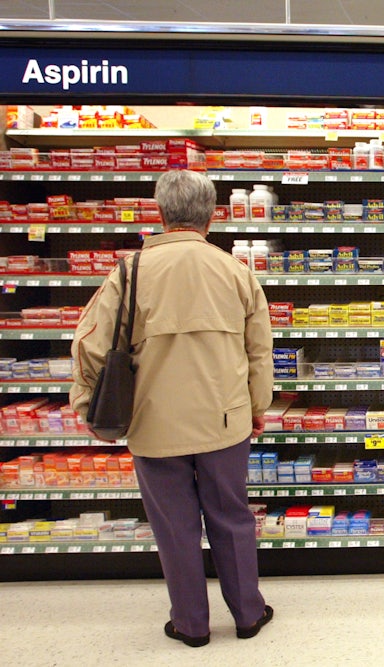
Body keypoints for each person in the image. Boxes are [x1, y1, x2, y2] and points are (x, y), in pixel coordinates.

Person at [70, 169, 275, 647]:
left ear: (160, 214)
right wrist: (257, 407)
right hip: (226, 420)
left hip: (154, 423)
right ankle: (247, 614)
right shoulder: (236, 271)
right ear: (212, 215)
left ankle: (190, 625)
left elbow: (92, 347)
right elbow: (259, 351)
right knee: (232, 517)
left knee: (175, 526)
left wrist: (87, 405)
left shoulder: (130, 272)